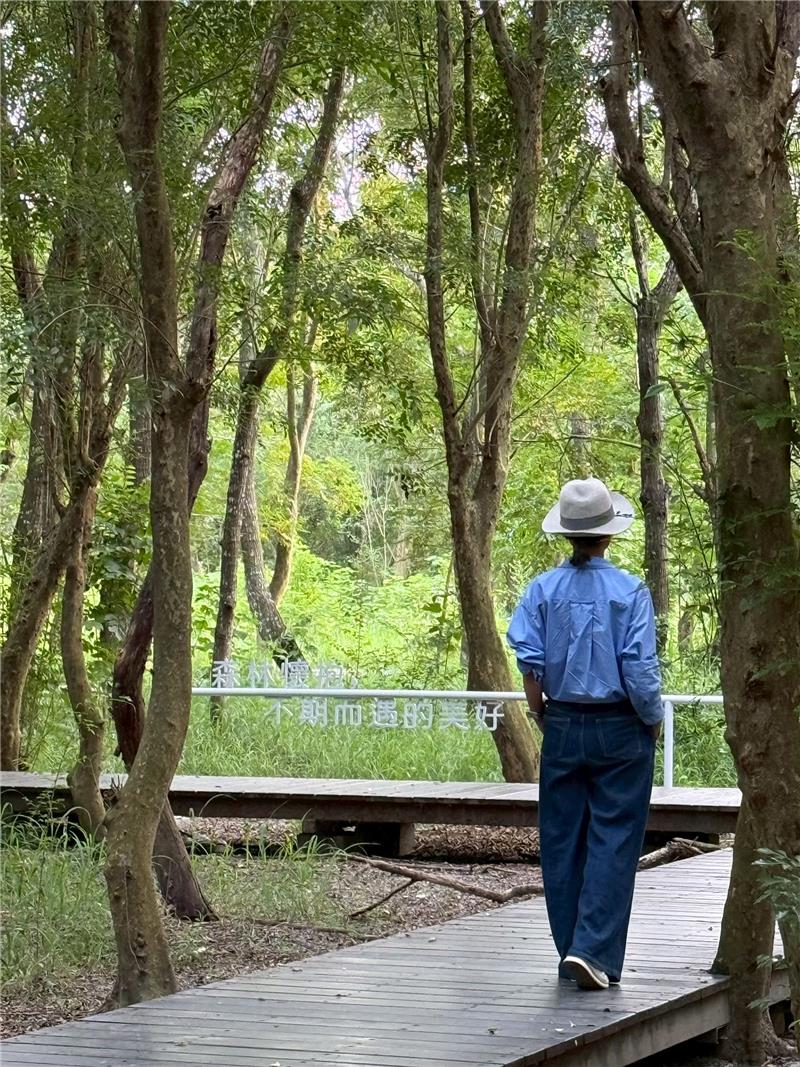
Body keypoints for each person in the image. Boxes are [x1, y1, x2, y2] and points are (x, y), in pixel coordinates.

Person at [507, 477, 663, 991]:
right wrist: (652, 718)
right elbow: (639, 669)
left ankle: (573, 947)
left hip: (563, 722)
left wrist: (543, 716)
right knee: (614, 838)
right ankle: (590, 950)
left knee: (560, 838)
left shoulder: (541, 590)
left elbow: (529, 667)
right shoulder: (630, 591)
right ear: (608, 535)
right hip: (621, 725)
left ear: (568, 536)